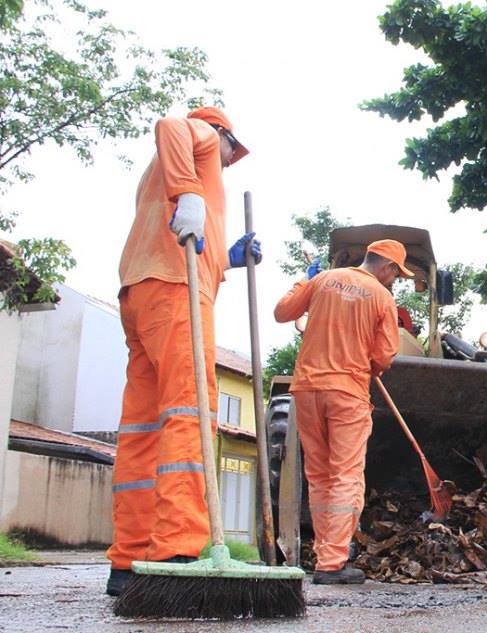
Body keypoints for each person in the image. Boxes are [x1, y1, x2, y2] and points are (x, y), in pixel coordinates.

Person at [106, 106, 258, 597]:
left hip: (140, 290)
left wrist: (228, 257)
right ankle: (176, 548)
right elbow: (170, 125)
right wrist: (190, 192)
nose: (229, 163)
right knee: (190, 414)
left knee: (143, 428)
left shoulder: (158, 177)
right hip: (175, 291)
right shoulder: (202, 139)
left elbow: (186, 233)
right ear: (223, 135)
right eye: (232, 152)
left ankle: (128, 560)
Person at [274, 239, 409, 584]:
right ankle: (332, 563)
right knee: (346, 475)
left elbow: (282, 313)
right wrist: (369, 365)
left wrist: (305, 280)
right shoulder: (382, 297)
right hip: (347, 393)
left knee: (319, 476)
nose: (395, 280)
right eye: (397, 273)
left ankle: (324, 557)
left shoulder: (322, 281)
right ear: (388, 267)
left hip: (306, 389)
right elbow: (384, 357)